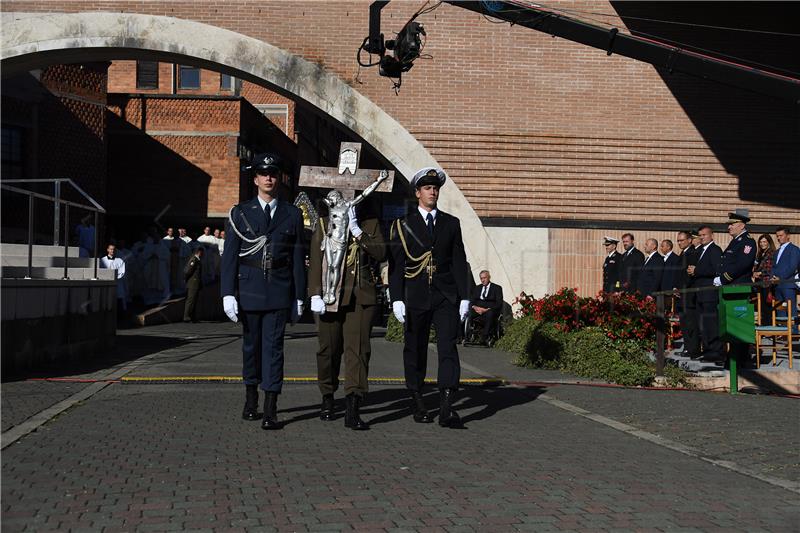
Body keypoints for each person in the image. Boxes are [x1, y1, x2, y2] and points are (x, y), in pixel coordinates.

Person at [221, 152, 305, 430]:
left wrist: (299, 296)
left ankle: (271, 408)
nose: (269, 178)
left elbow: (296, 259)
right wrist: (227, 293)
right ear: (255, 178)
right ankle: (250, 398)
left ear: (278, 178)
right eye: (263, 173)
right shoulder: (240, 213)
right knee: (251, 347)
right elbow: (230, 256)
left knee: (274, 350)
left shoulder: (292, 214)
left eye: (273, 173)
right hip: (250, 289)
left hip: (279, 290)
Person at [389, 167, 471, 428]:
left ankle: (447, 406)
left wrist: (466, 297)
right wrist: (397, 297)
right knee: (415, 349)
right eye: (427, 188)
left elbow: (459, 261)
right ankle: (418, 400)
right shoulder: (403, 225)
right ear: (417, 193)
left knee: (448, 348)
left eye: (435, 188)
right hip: (415, 295)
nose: (432, 192)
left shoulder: (451, 223)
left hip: (445, 295)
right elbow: (396, 264)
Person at [308, 201, 386, 430]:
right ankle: (328, 396)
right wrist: (314, 293)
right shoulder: (324, 223)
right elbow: (315, 260)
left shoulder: (369, 224)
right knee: (328, 349)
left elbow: (381, 252)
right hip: (330, 293)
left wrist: (356, 229)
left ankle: (353, 405)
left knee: (358, 351)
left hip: (360, 295)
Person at [711, 211, 757, 367]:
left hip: (738, 288)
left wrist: (724, 278)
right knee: (730, 323)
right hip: (729, 289)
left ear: (742, 225)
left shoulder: (748, 242)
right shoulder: (736, 241)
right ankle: (732, 356)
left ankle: (739, 358)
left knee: (738, 323)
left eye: (732, 224)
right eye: (729, 224)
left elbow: (742, 264)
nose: (729, 227)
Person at [687, 225, 723, 362]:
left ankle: (716, 351)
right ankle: (707, 350)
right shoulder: (701, 250)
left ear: (711, 235)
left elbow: (715, 270)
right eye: (700, 235)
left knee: (711, 324)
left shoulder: (715, 250)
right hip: (700, 293)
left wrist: (697, 271)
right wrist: (692, 271)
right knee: (703, 324)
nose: (702, 237)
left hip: (709, 293)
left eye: (704, 235)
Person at [675, 230, 700, 358]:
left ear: (689, 240)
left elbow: (689, 275)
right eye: (678, 240)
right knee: (684, 323)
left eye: (682, 240)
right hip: (681, 293)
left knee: (691, 323)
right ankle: (688, 347)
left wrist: (681, 288)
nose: (679, 243)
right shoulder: (683, 253)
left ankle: (693, 349)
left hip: (688, 293)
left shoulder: (692, 253)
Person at [771, 227, 800, 329]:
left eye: (781, 235)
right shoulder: (777, 251)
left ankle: (794, 332)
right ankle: (782, 333)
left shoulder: (794, 249)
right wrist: (772, 277)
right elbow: (774, 266)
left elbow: (792, 267)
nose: (779, 238)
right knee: (780, 310)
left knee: (791, 310)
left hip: (788, 285)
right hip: (777, 285)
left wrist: (780, 277)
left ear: (788, 236)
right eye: (777, 236)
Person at [468, 270, 504, 345]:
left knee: (490, 313)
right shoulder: (477, 288)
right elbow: (472, 300)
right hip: (478, 309)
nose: (483, 280)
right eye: (481, 278)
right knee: (469, 312)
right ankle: (468, 334)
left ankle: (485, 336)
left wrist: (486, 310)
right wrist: (475, 307)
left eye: (484, 278)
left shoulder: (497, 288)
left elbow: (498, 303)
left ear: (489, 277)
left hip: (489, 310)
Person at [752, 233, 776, 325]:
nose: (762, 244)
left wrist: (760, 273)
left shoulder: (771, 253)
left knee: (767, 307)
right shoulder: (760, 254)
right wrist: (754, 272)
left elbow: (769, 269)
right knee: (761, 307)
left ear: (769, 242)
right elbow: (755, 266)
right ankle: (764, 326)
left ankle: (768, 328)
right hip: (759, 283)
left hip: (766, 284)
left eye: (764, 242)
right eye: (761, 242)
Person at [99, 243, 127, 312]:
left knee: (119, 299)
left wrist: (114, 277)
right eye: (111, 249)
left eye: (114, 249)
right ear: (108, 250)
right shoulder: (102, 260)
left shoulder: (120, 260)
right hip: (107, 283)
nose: (112, 251)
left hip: (118, 283)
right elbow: (100, 271)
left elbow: (122, 272)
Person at [183, 247, 204, 323]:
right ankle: (186, 317)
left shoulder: (198, 260)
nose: (203, 254)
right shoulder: (194, 260)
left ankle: (192, 316)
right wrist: (186, 279)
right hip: (192, 283)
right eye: (202, 252)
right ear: (199, 252)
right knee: (190, 300)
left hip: (196, 283)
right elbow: (188, 271)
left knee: (194, 301)